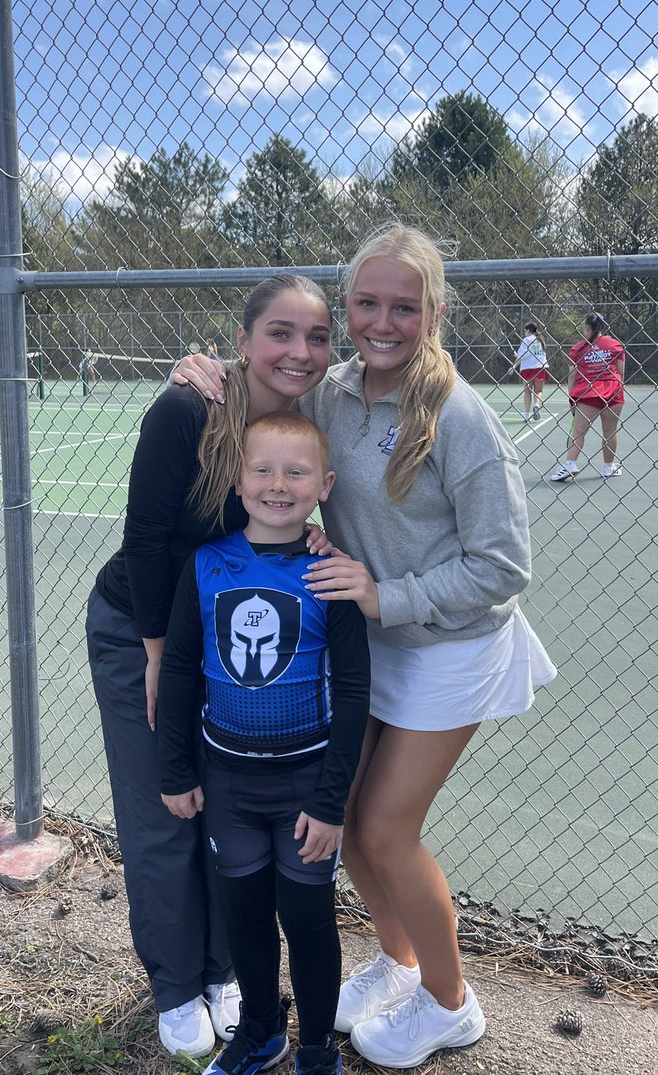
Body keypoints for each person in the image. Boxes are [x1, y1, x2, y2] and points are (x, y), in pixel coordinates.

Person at [173, 223, 557, 1068]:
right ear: (348, 307)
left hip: (450, 647)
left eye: (404, 307)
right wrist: (207, 375)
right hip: (370, 645)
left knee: (383, 830)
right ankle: (399, 960)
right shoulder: (333, 394)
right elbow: (264, 403)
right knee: (341, 819)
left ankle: (452, 1003)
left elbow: (503, 565)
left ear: (435, 312)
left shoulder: (461, 418)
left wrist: (387, 596)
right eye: (367, 304)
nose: (383, 323)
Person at [86, 274, 335, 1059]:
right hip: (144, 630)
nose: (299, 352)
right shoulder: (188, 408)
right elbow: (148, 537)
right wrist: (162, 656)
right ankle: (174, 983)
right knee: (165, 805)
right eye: (280, 333)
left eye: (316, 337)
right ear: (242, 340)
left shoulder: (311, 417)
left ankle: (224, 970)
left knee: (225, 805)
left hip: (234, 644)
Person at [158, 411, 370, 1075]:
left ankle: (314, 1049)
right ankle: (259, 1032)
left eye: (296, 472)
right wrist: (175, 769)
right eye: (263, 470)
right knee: (244, 915)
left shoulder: (329, 575)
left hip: (305, 787)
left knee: (308, 922)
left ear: (324, 485)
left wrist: (333, 802)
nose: (278, 485)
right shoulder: (207, 564)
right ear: (239, 479)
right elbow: (182, 669)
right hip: (227, 784)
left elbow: (357, 693)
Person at [550, 312, 626, 482]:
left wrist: (572, 398)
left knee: (578, 431)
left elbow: (572, 376)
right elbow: (621, 372)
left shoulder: (577, 348)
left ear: (587, 328)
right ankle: (608, 467)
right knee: (610, 430)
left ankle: (570, 464)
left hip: (588, 393)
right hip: (613, 390)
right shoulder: (615, 345)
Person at [509, 322, 548, 421]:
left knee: (527, 391)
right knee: (538, 391)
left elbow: (522, 356)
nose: (524, 333)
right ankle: (537, 405)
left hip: (528, 369)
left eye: (525, 331)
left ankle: (527, 415)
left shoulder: (526, 340)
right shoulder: (541, 340)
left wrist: (513, 366)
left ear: (528, 331)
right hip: (541, 368)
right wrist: (518, 356)